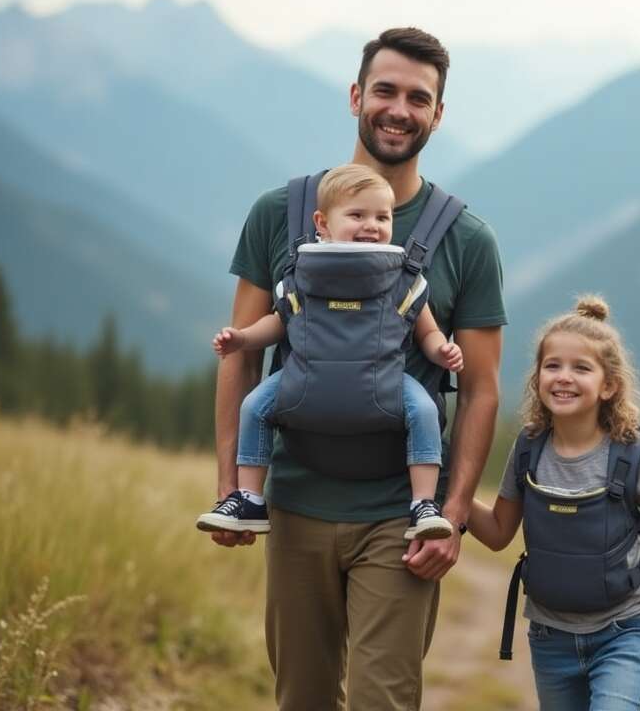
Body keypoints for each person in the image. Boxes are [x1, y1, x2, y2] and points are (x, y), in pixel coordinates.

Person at [210, 27, 506, 710]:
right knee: (302, 699)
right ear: (355, 96)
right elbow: (243, 356)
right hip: (294, 504)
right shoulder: (279, 215)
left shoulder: (466, 239)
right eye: (385, 91)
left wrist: (453, 516)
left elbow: (482, 387)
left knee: (383, 700)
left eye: (418, 97)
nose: (399, 108)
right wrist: (231, 488)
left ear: (438, 114)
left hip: (399, 518)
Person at [466, 295, 640, 710]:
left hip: (624, 629)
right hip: (549, 636)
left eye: (581, 368)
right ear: (537, 377)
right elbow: (496, 533)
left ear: (609, 385)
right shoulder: (528, 450)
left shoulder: (633, 458)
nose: (564, 377)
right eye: (553, 366)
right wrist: (448, 492)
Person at [195, 163, 464, 541]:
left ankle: (422, 503)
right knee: (253, 406)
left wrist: (442, 352)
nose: (371, 225)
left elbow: (428, 330)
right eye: (357, 215)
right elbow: (279, 320)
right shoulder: (303, 271)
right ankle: (249, 498)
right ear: (322, 223)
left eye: (382, 217)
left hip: (385, 377)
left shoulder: (403, 277)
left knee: (423, 410)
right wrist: (242, 339)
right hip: (303, 374)